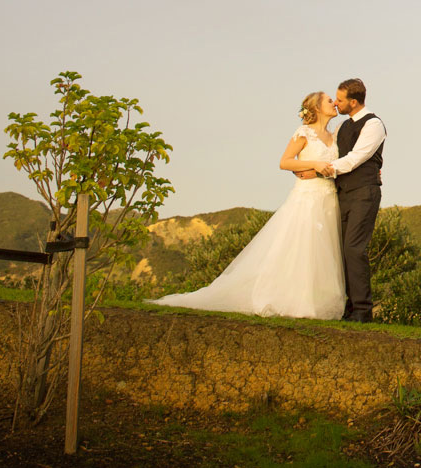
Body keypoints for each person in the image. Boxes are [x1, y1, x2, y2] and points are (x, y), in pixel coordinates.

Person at [151, 91, 346, 318]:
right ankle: (295, 301)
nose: (334, 103)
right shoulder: (304, 133)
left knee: (323, 252)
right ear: (316, 107)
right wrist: (315, 164)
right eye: (329, 101)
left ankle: (319, 302)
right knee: (301, 249)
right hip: (306, 198)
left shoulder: (335, 136)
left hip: (328, 197)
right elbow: (285, 162)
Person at [301, 77, 383, 322]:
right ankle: (350, 307)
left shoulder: (374, 124)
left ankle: (362, 311)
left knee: (354, 249)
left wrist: (317, 171)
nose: (336, 104)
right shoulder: (342, 128)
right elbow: (332, 152)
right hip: (342, 194)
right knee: (343, 250)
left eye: (340, 100)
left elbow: (355, 158)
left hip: (364, 194)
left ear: (354, 102)